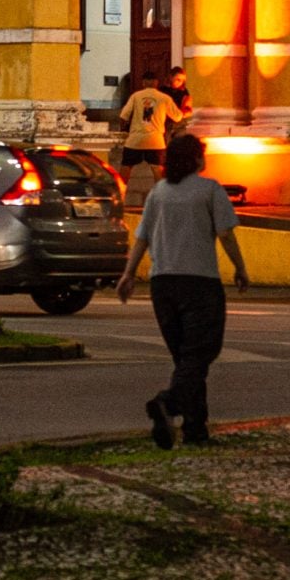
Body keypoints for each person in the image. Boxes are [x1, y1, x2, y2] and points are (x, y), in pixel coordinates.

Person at [117, 132, 248, 447]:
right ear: (195, 159)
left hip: (163, 285)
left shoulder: (158, 192)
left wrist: (129, 274)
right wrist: (240, 268)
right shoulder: (209, 190)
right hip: (199, 282)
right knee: (201, 353)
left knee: (187, 359)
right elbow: (226, 234)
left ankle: (195, 429)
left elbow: (143, 237)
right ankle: (169, 403)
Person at [114, 70, 181, 171]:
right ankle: (160, 187)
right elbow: (178, 116)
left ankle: (120, 187)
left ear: (143, 83)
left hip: (135, 140)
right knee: (158, 169)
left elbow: (123, 116)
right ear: (156, 82)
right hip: (156, 141)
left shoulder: (136, 96)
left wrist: (123, 130)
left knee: (126, 167)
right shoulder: (164, 98)